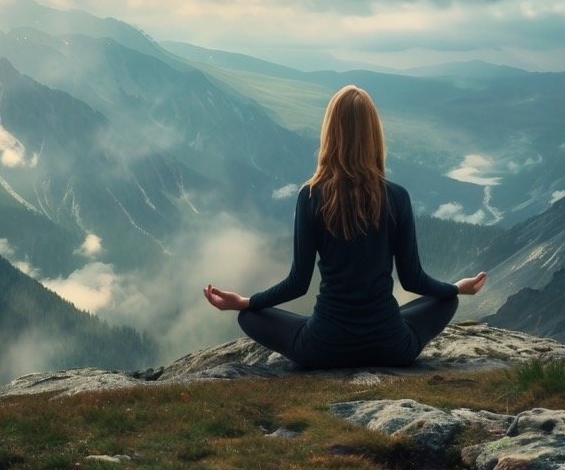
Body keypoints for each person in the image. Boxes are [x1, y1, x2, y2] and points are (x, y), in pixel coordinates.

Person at [203, 85, 487, 369]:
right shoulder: (397, 197)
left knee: (249, 317)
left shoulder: (311, 196)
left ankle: (319, 327)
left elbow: (298, 283)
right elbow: (413, 279)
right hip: (392, 346)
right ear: (374, 135)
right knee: (447, 301)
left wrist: (245, 302)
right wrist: (456, 288)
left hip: (323, 348)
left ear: (330, 133)